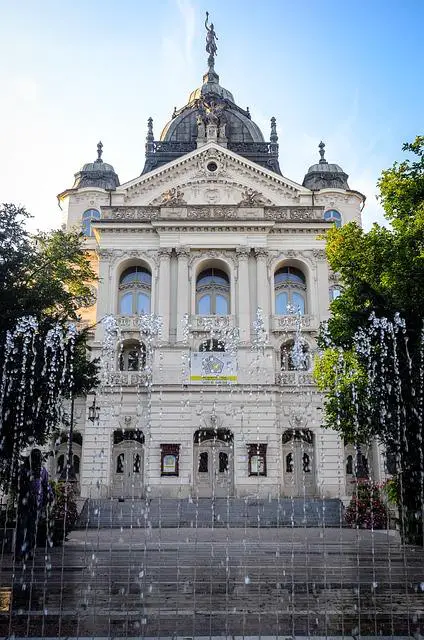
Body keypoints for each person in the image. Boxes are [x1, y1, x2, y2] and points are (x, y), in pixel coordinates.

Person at [15, 449, 53, 561]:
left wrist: (50, 495)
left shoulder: (42, 470)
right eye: (36, 457)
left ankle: (29, 551)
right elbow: (19, 483)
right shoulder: (24, 469)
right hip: (25, 503)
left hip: (37, 503)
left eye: (39, 457)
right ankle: (18, 553)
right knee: (21, 529)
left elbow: (46, 485)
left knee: (32, 529)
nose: (38, 459)